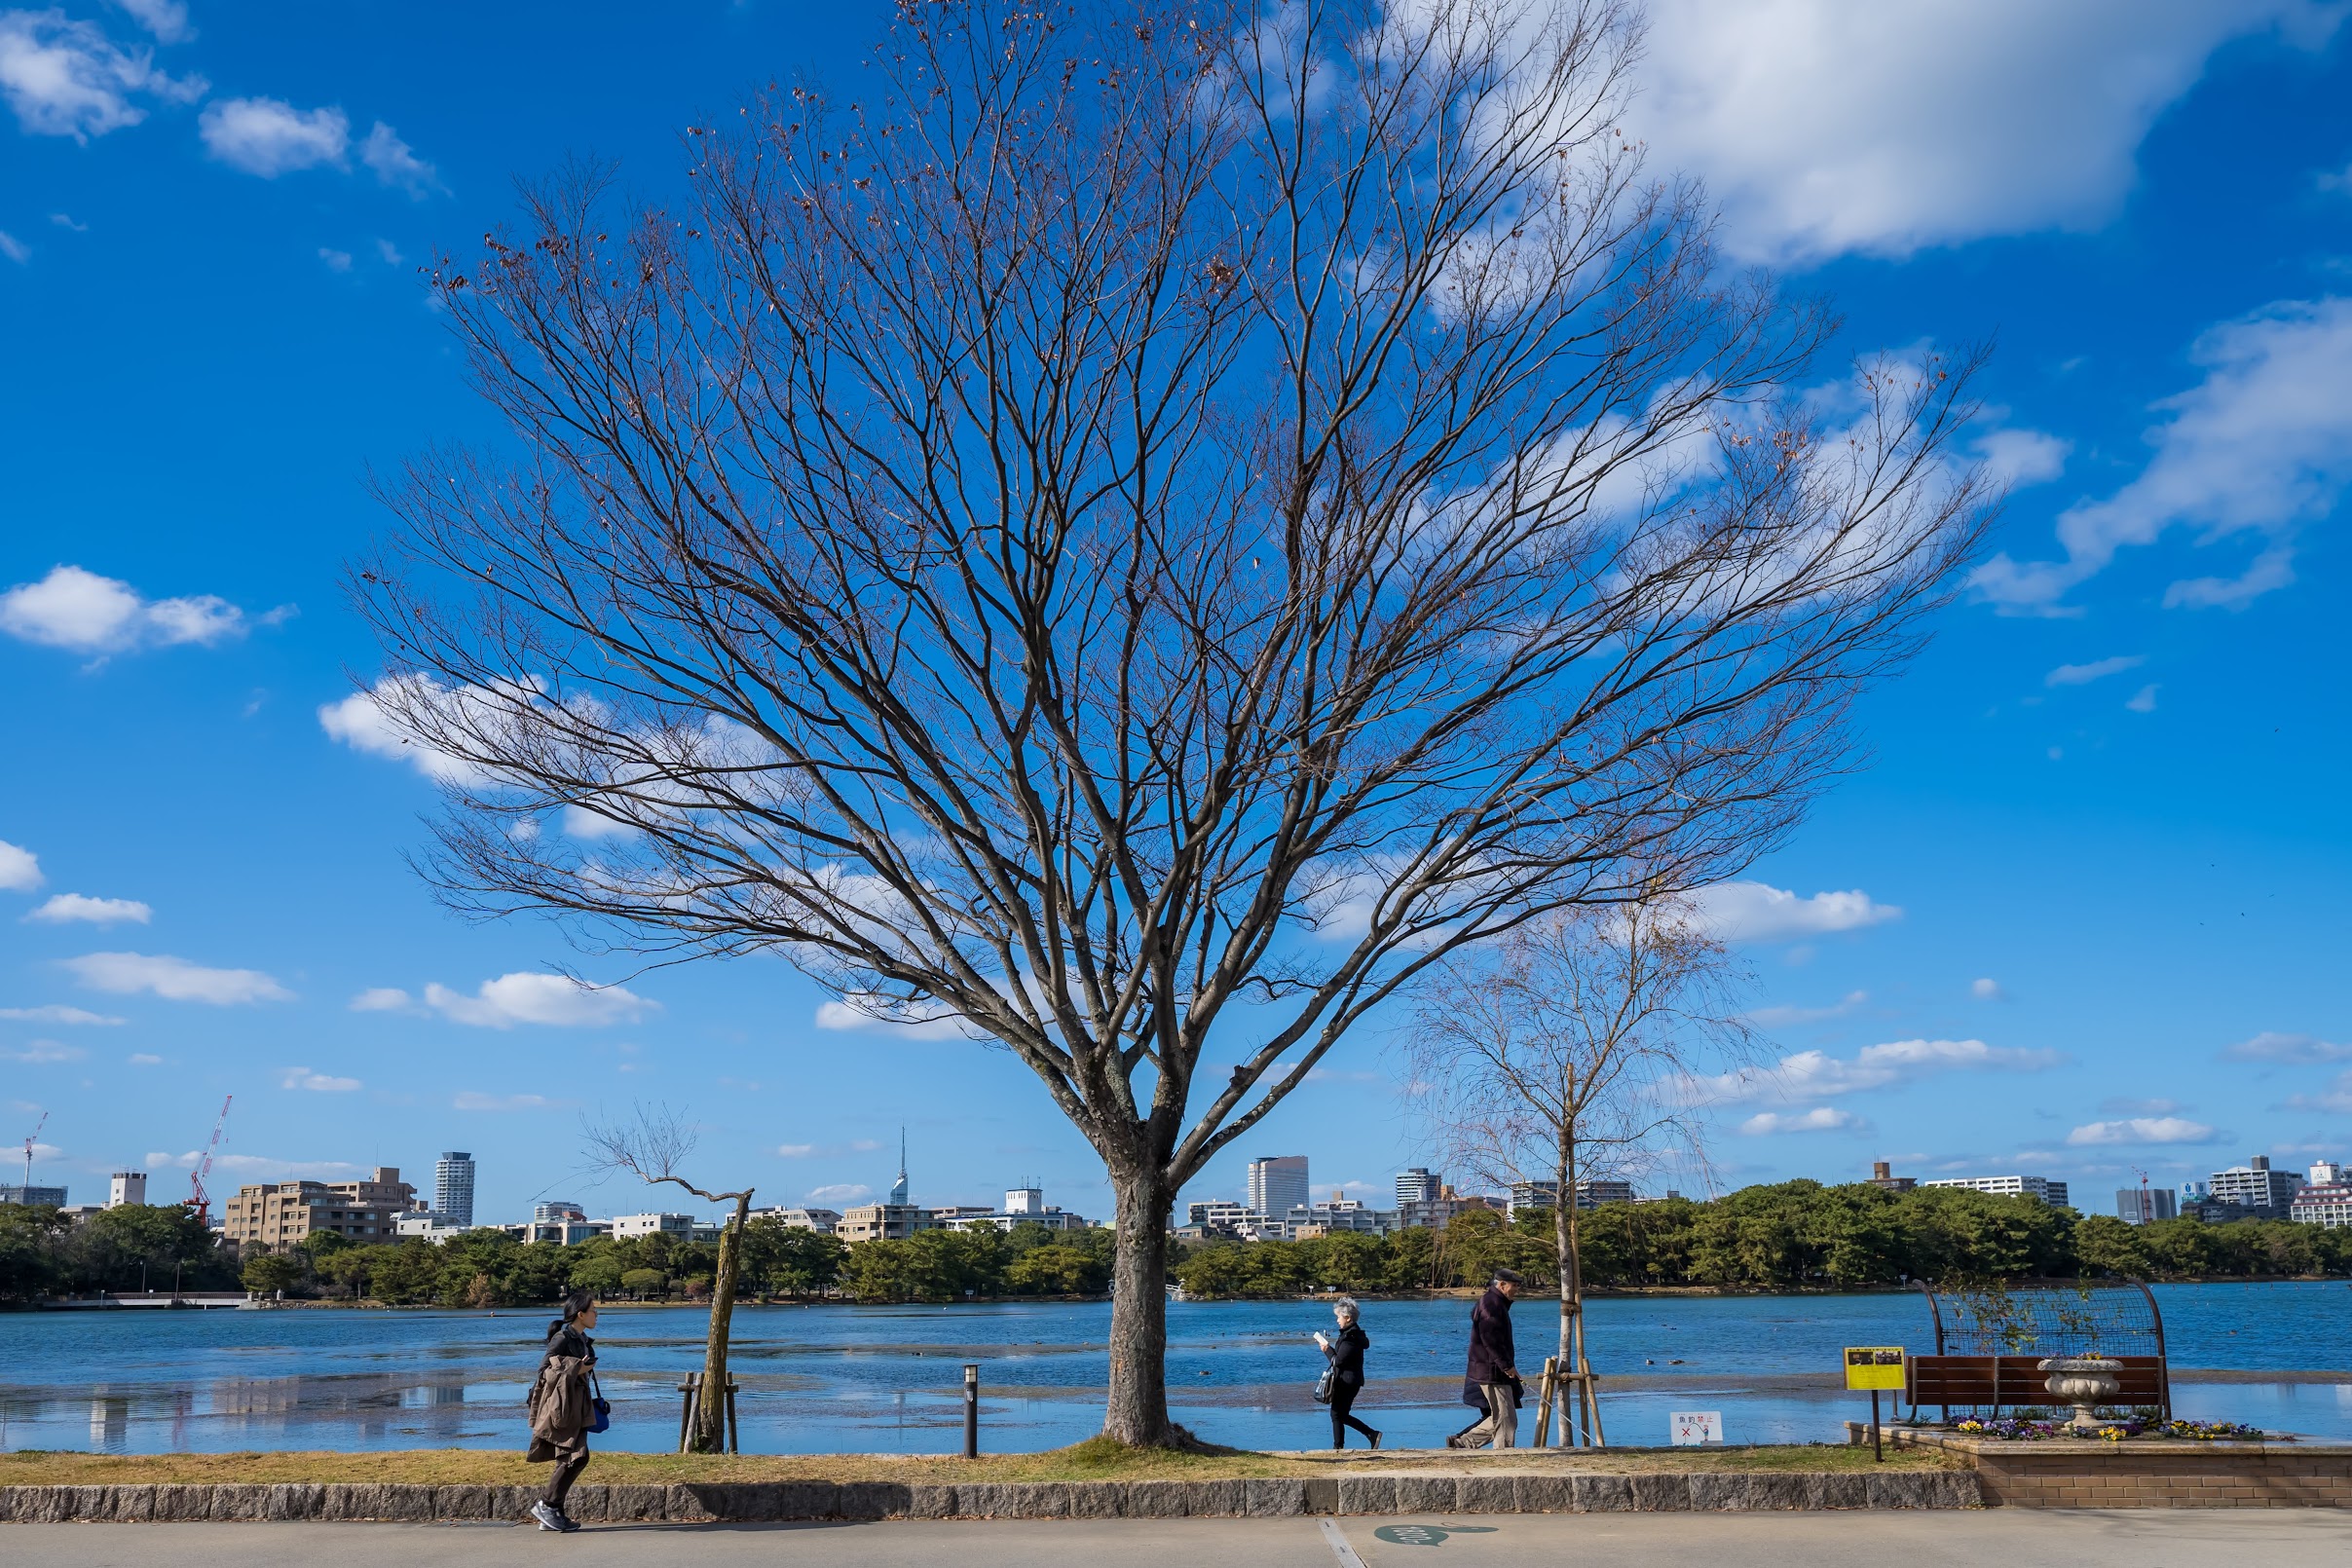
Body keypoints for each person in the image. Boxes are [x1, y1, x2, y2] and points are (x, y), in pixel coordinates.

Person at [527, 1290, 600, 1533]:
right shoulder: (562, 1338)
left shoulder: (581, 1338)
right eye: (593, 1310)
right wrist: (577, 1368)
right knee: (577, 1456)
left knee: (572, 1456)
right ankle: (546, 1504)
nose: (596, 1314)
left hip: (576, 1403)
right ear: (581, 1314)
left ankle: (552, 1513)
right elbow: (544, 1371)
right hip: (562, 1406)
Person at [1450, 1268, 1522, 1449]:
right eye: (1514, 1286)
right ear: (1502, 1285)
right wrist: (1507, 1366)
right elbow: (1491, 1340)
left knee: (1501, 1417)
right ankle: (1503, 1457)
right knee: (1506, 1419)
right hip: (1492, 1371)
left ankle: (1461, 1443)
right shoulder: (1492, 1304)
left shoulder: (1494, 1302)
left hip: (1492, 1369)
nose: (1517, 1290)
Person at [1315, 1297, 1380, 1450]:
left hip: (1348, 1381)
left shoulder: (1351, 1337)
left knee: (1337, 1414)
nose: (1337, 1320)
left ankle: (1340, 1447)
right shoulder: (1351, 1335)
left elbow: (1338, 1361)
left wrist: (1326, 1350)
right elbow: (1342, 1357)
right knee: (1339, 1415)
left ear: (1348, 1318)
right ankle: (1369, 1435)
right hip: (1349, 1380)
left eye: (1339, 1316)